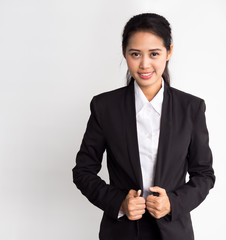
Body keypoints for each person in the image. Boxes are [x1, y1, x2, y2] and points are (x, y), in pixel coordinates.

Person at [72, 13, 215, 240]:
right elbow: (83, 171)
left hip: (173, 232)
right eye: (135, 54)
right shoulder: (104, 107)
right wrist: (119, 203)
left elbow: (204, 174)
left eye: (154, 54)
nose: (144, 64)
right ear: (124, 53)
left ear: (169, 52)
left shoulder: (191, 108)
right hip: (121, 232)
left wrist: (173, 203)